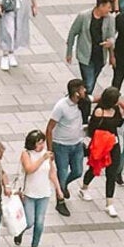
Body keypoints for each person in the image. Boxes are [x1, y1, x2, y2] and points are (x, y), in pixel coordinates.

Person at [77, 87, 124, 216]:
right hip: (101, 145)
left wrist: (123, 113)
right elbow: (92, 130)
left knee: (112, 173)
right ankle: (84, 187)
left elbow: (119, 124)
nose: (119, 101)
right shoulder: (99, 111)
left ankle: (109, 204)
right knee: (94, 168)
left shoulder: (116, 109)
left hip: (113, 144)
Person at [46, 78, 89, 217]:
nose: (85, 91)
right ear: (76, 93)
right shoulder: (61, 106)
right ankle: (60, 201)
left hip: (77, 144)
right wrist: (50, 150)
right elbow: (49, 128)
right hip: (61, 146)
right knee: (62, 172)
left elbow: (96, 98)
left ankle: (63, 186)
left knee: (78, 171)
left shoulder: (83, 102)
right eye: (82, 89)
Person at [15, 131, 56, 247]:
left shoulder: (47, 154)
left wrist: (58, 189)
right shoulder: (26, 154)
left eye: (43, 143)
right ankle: (20, 231)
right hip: (29, 193)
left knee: (40, 222)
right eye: (39, 143)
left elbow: (52, 172)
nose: (42, 146)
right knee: (29, 221)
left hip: (44, 193)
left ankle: (35, 246)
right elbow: (29, 169)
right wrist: (42, 159)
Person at [65, 0, 114, 95]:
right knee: (89, 83)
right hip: (86, 56)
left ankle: (77, 95)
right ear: (101, 6)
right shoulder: (83, 16)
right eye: (108, 7)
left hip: (100, 56)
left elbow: (111, 36)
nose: (110, 10)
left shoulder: (110, 19)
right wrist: (69, 51)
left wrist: (111, 45)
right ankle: (83, 100)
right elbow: (72, 33)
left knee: (91, 81)